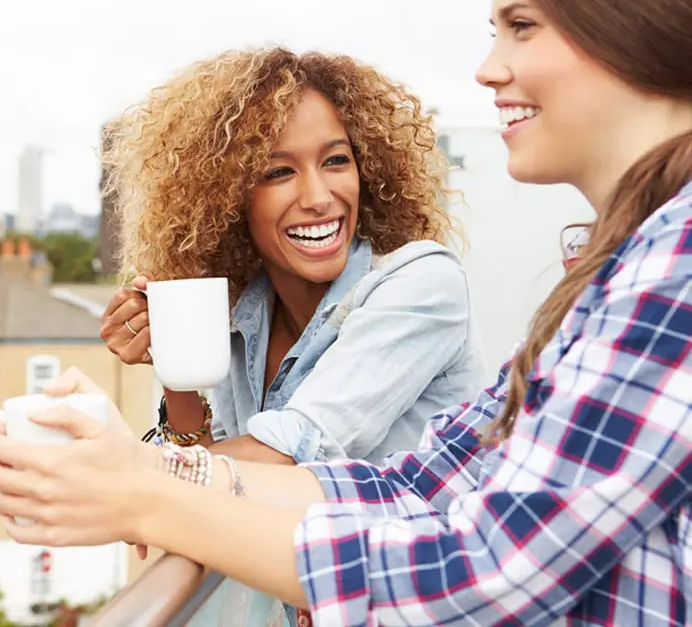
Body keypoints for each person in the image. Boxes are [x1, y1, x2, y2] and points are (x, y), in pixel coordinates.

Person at [0, 0, 692, 624]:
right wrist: (165, 405)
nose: (486, 68)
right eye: (277, 171)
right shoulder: (611, 275)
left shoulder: (661, 269)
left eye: (522, 26)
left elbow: (484, 568)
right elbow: (413, 485)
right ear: (228, 196)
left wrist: (141, 494)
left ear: (629, 24)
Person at [96, 48, 487, 624]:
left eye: (336, 161)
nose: (318, 196)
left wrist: (124, 479)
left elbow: (289, 453)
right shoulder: (243, 312)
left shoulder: (422, 284)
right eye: (278, 171)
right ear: (227, 198)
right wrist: (175, 365)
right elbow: (216, 475)